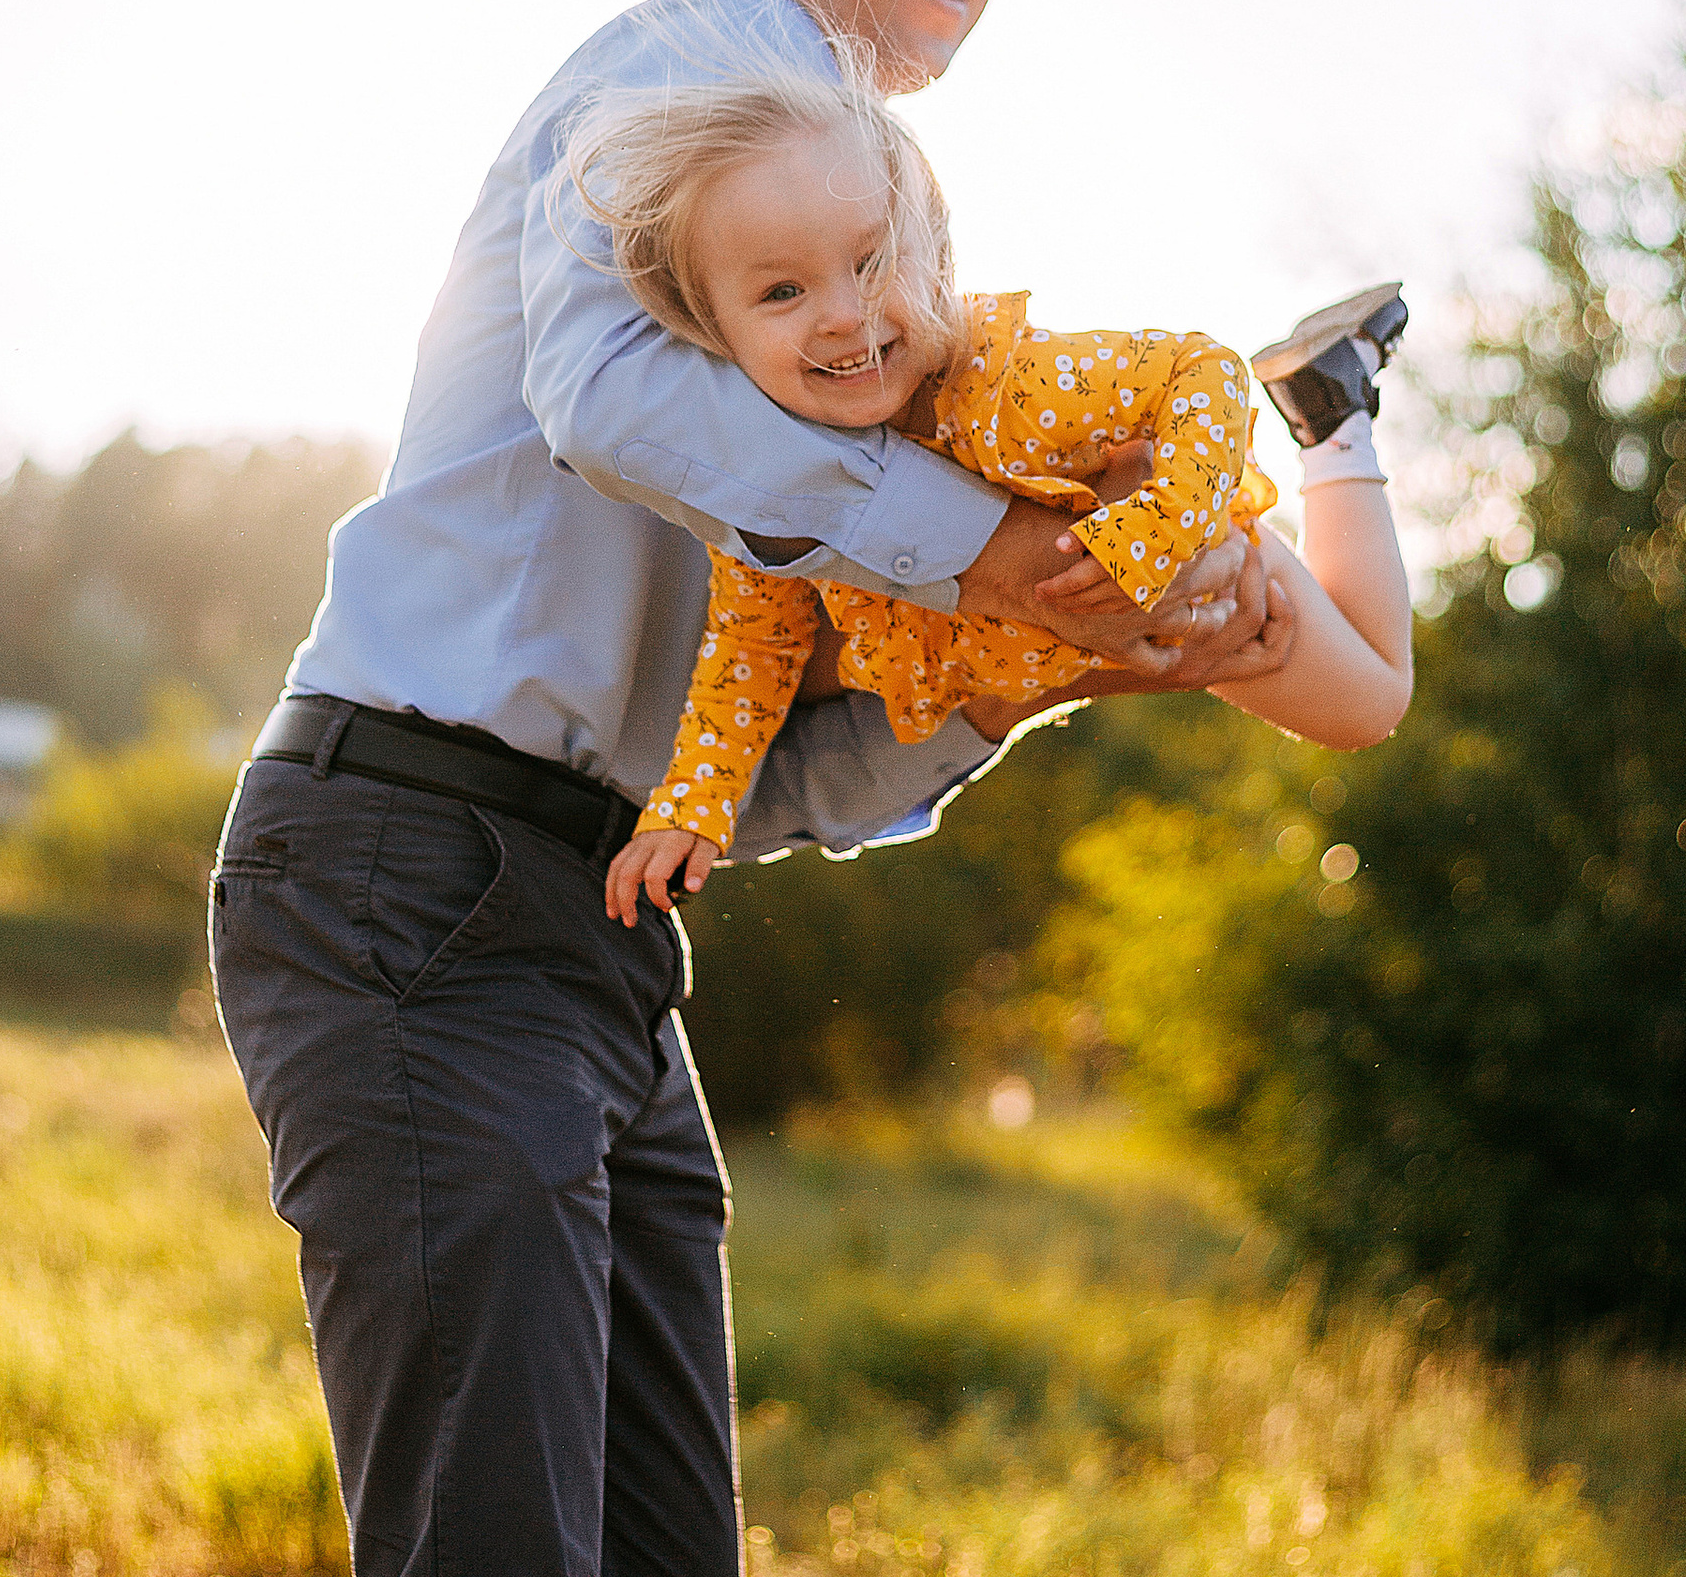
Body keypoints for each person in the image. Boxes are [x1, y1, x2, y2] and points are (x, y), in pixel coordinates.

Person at [155, 0, 1300, 1577]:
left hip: (592, 924)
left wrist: (1034, 662)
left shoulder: (862, 247)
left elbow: (778, 761)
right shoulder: (691, 76)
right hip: (405, 867)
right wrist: (989, 552)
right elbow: (594, 389)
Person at [553, 45, 1414, 922]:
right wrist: (690, 809)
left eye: (872, 260)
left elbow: (1204, 371)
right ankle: (1332, 395)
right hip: (1057, 652)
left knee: (1373, 699)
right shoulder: (768, 491)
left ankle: (1330, 411)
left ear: (934, 251)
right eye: (781, 291)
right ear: (713, 329)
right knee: (1364, 690)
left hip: (1186, 563)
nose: (844, 313)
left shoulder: (1011, 390)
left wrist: (1164, 520)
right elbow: (753, 650)